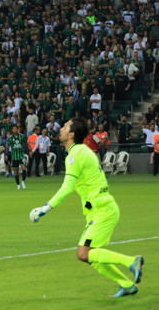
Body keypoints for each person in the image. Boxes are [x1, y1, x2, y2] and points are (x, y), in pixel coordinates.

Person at [29, 117, 144, 297]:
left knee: (83, 253)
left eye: (65, 127)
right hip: (99, 209)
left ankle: (131, 261)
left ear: (72, 134)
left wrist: (45, 208)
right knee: (92, 257)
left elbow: (67, 187)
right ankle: (127, 284)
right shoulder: (83, 151)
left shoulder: (75, 154)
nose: (61, 129)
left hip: (102, 210)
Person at [7, 124, 28, 189]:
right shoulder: (10, 138)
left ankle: (23, 182)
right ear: (12, 130)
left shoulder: (22, 136)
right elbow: (7, 146)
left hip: (21, 155)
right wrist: (6, 154)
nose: (15, 130)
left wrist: (29, 150)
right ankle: (18, 184)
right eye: (14, 129)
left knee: (24, 168)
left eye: (16, 129)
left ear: (18, 129)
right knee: (16, 171)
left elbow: (26, 143)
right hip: (14, 157)